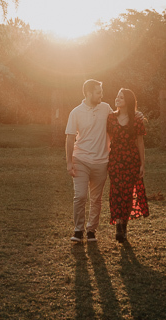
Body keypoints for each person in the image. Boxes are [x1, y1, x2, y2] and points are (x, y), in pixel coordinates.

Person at [65, 79, 112, 244]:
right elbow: (70, 138)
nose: (101, 95)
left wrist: (136, 114)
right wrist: (69, 162)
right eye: (98, 92)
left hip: (101, 161)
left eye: (101, 92)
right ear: (88, 93)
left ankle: (91, 230)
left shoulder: (106, 108)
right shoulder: (76, 112)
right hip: (81, 159)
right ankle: (78, 230)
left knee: (96, 199)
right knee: (80, 196)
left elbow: (120, 119)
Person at [107, 87, 149, 243]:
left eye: (121, 97)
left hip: (131, 161)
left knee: (127, 194)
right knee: (116, 192)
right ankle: (118, 224)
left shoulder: (137, 119)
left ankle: (124, 225)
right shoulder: (111, 118)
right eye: (117, 96)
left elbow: (140, 142)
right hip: (115, 161)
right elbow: (109, 139)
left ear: (128, 102)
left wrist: (142, 164)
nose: (117, 99)